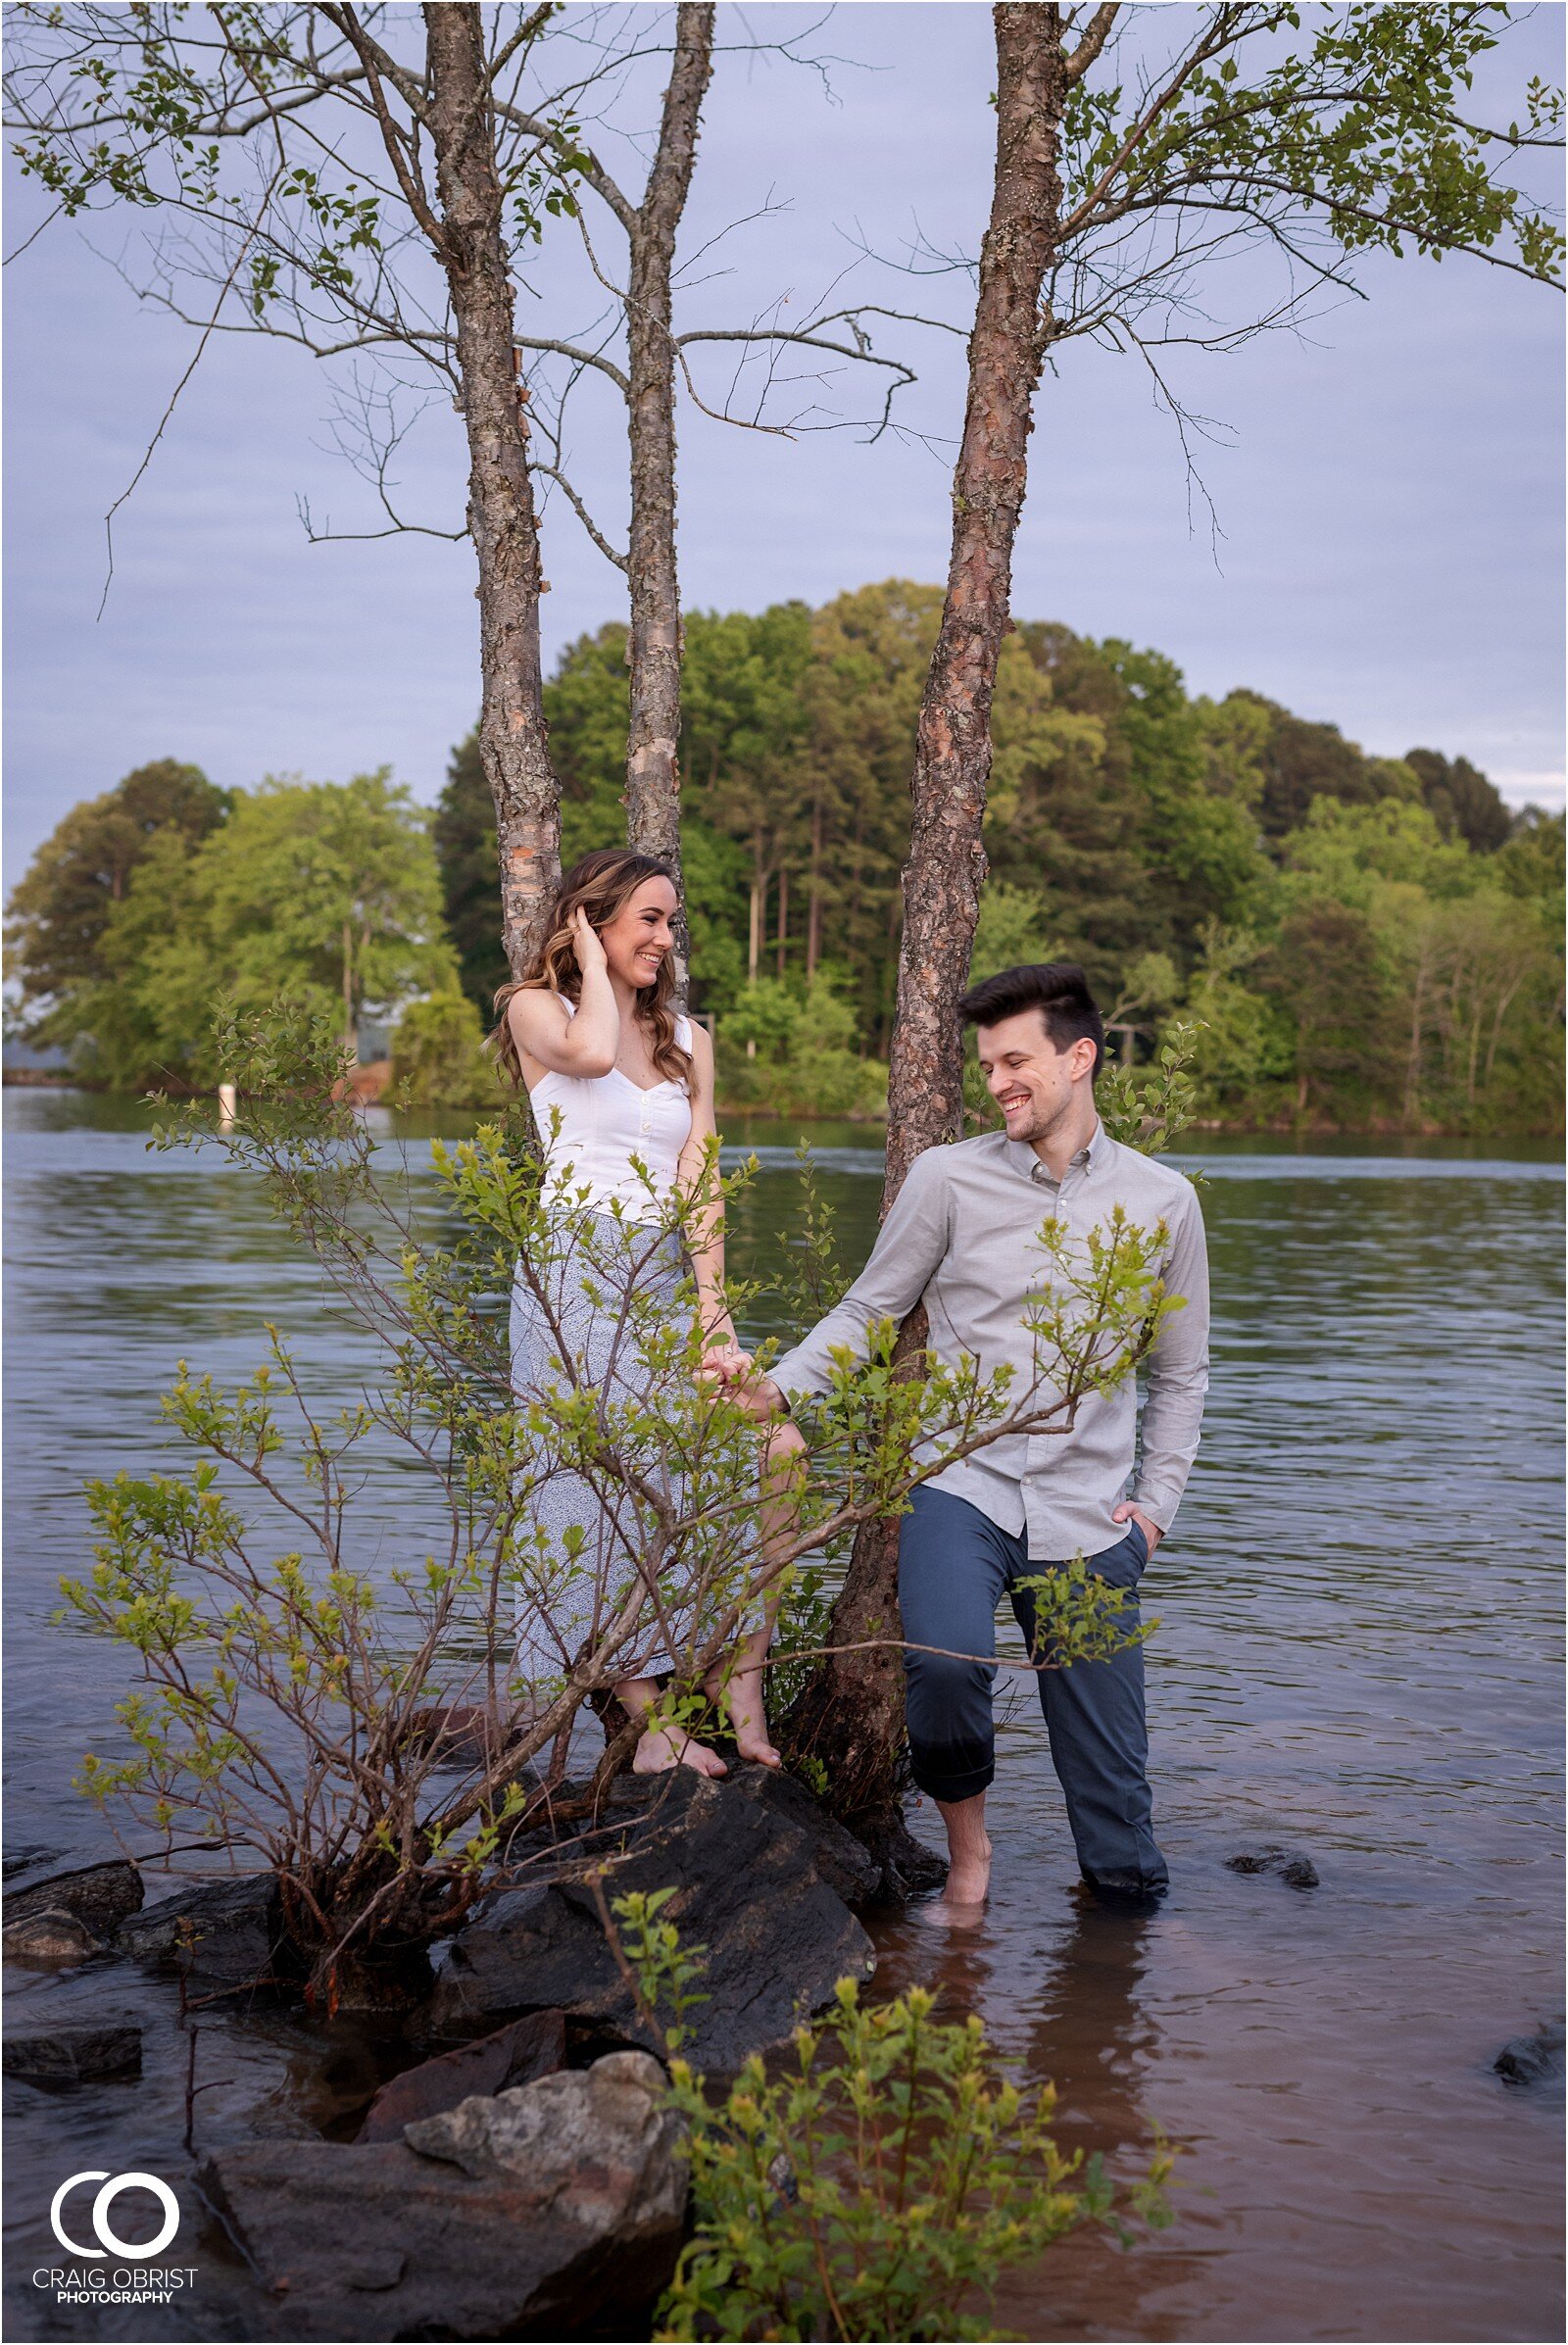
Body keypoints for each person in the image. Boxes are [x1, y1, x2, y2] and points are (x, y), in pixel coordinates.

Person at [745, 962, 1209, 1920]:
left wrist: (1153, 1512)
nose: (996, 1079)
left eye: (1015, 1060)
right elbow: (870, 1307)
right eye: (986, 1062)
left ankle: (1122, 1947)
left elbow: (1180, 1373)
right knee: (945, 1665)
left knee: (1118, 1817)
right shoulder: (946, 1177)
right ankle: (969, 1856)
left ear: (1078, 1058)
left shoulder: (1164, 1202)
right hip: (960, 1483)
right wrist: (777, 1384)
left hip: (1091, 1518)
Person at [494, 848, 796, 1778]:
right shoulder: (533, 1009)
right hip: (572, 1274)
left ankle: (743, 1686)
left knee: (778, 1447)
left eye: (672, 923)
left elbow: (697, 1176)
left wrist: (714, 1312)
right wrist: (587, 964)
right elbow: (588, 1053)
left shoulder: (690, 1041)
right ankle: (650, 1716)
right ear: (592, 921)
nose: (665, 939)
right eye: (648, 920)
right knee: (595, 1479)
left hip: (666, 1279)